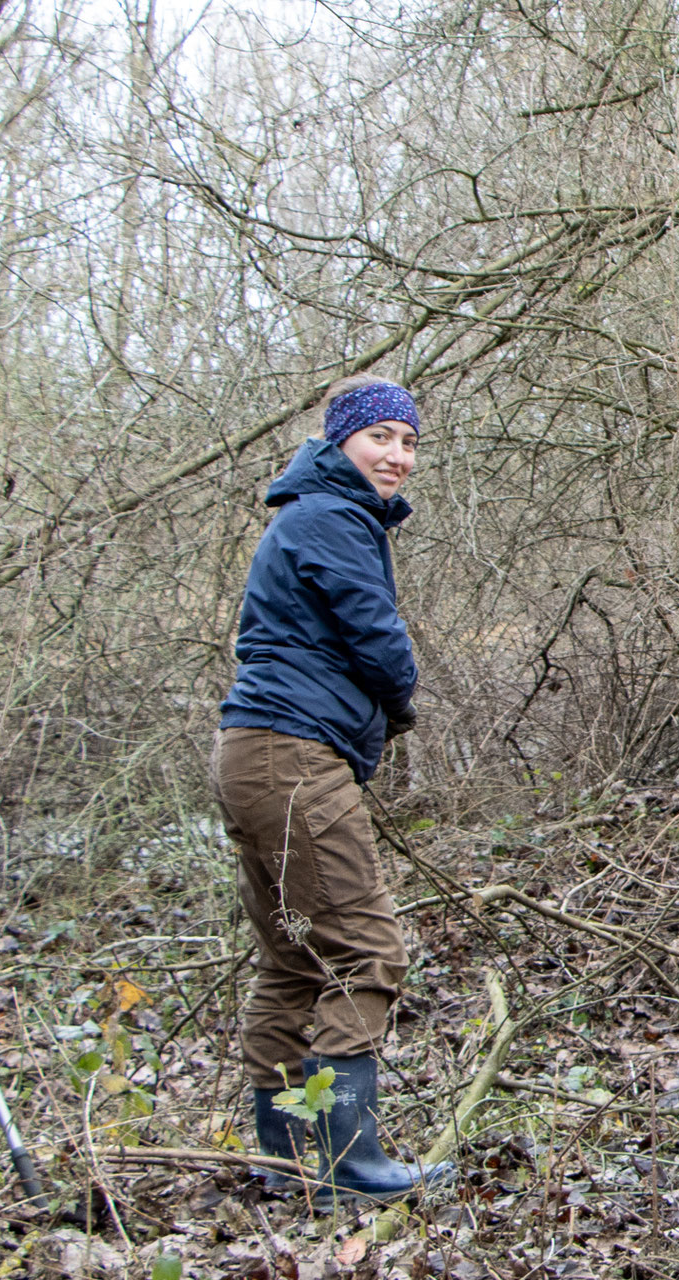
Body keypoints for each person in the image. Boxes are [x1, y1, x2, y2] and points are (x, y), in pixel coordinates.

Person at [214, 374, 451, 1204]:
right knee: (366, 948)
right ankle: (351, 1161)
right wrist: (400, 700)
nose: (397, 455)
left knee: (293, 959)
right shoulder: (332, 515)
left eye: (409, 441)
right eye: (381, 436)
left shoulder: (312, 514)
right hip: (290, 754)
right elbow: (376, 633)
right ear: (340, 442)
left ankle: (289, 1160)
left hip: (257, 752)